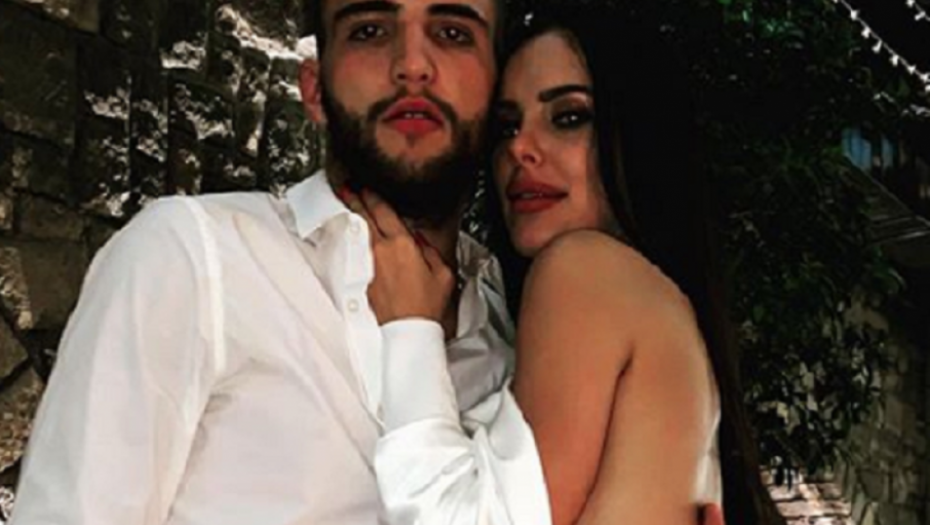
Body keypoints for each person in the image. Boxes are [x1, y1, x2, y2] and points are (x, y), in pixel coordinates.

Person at [9, 0, 729, 524]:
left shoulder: (521, 316)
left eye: (452, 31)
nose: (412, 63)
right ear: (314, 86)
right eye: (370, 29)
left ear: (489, 82)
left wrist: (411, 331)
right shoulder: (194, 259)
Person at [346, 3, 782, 525]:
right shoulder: (659, 309)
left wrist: (409, 327)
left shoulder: (585, 270)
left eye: (569, 117)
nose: (520, 149)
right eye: (506, 127)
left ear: (639, 134)